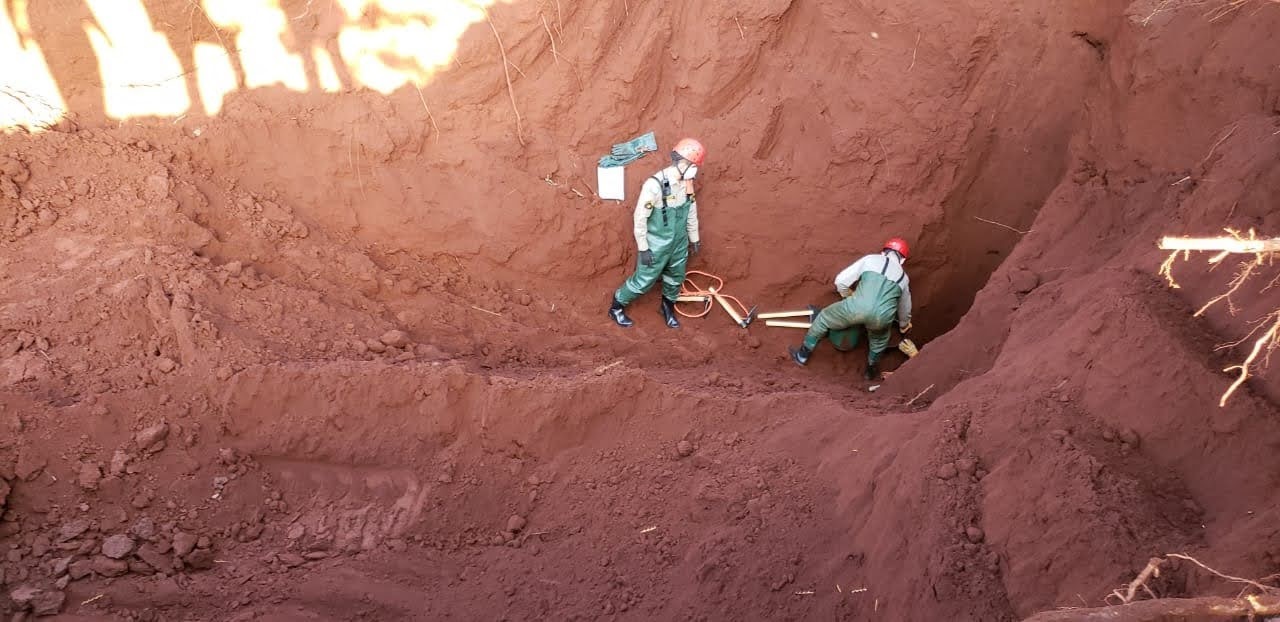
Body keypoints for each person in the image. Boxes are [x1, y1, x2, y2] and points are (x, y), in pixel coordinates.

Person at [608, 138, 705, 329]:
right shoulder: (654, 185)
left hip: (679, 243)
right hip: (656, 245)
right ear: (683, 163)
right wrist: (644, 248)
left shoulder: (687, 184)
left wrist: (694, 238)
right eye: (694, 166)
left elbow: (691, 211)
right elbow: (640, 219)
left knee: (676, 277)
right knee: (644, 280)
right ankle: (617, 307)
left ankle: (667, 308)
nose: (695, 171)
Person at [788, 238, 913, 380]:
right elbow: (905, 308)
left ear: (883, 253)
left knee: (823, 318)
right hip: (882, 317)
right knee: (879, 342)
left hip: (856, 307)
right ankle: (870, 372)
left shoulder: (870, 259)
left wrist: (848, 295)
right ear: (902, 260)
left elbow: (840, 281)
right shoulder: (904, 278)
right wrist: (904, 325)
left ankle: (802, 355)